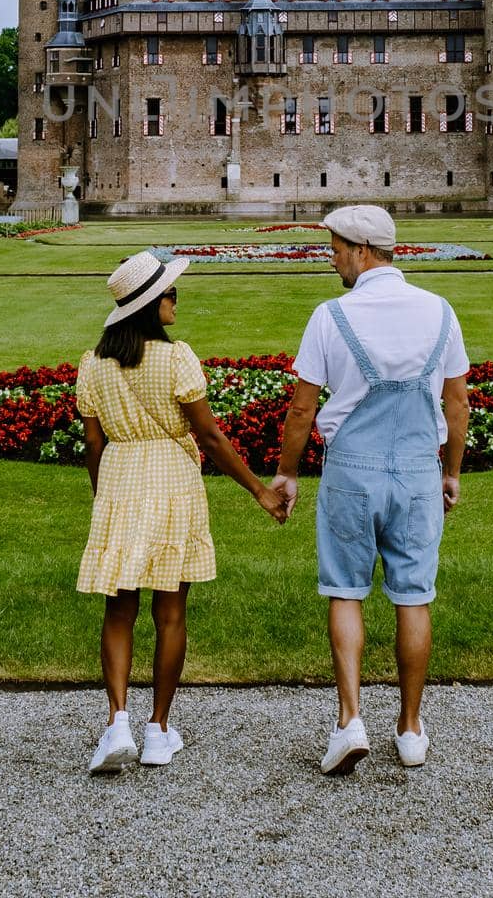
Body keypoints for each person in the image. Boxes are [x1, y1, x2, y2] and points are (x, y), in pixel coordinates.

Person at [272, 205, 470, 774]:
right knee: (413, 596)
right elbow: (456, 403)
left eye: (334, 249)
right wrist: (450, 472)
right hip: (415, 470)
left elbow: (303, 408)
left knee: (346, 591)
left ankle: (350, 719)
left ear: (361, 251)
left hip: (351, 471)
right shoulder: (439, 311)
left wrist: (288, 473)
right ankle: (410, 729)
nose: (331, 259)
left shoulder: (331, 316)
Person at [77, 249, 289, 772]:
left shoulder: (93, 364)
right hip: (172, 480)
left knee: (118, 609)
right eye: (171, 293)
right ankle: (158, 730)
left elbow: (92, 444)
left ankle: (116, 722)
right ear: (152, 304)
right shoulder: (177, 359)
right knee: (170, 612)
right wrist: (260, 492)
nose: (176, 299)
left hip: (120, 482)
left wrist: (102, 494)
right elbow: (211, 438)